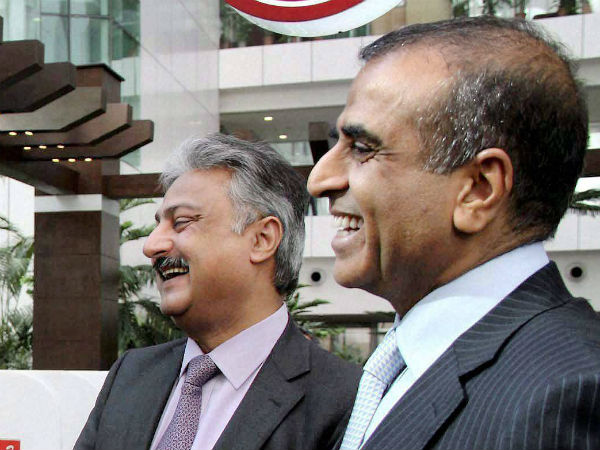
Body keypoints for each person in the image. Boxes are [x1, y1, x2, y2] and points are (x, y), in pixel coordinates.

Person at [307, 16, 600, 450]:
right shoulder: (402, 365)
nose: (319, 180)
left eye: (363, 149)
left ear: (479, 189)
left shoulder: (566, 396)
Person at [75, 133, 360, 450]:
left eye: (181, 222)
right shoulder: (131, 374)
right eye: (158, 225)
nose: (152, 246)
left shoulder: (344, 399)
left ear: (262, 239)